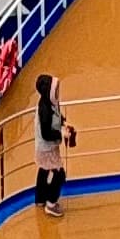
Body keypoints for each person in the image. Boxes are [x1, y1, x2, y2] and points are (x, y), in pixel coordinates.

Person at [33, 70, 77, 210]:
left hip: (46, 146)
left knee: (44, 170)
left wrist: (63, 123)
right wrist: (61, 133)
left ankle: (40, 199)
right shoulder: (44, 110)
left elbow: (58, 115)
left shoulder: (50, 102)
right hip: (47, 147)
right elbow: (46, 133)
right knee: (59, 174)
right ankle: (51, 203)